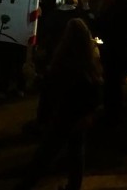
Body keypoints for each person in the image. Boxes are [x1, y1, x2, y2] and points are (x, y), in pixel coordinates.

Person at [17, 19, 103, 190]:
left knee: (45, 156)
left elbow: (52, 84)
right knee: (76, 153)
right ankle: (74, 185)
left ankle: (25, 186)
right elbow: (96, 86)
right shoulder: (89, 59)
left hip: (64, 115)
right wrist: (89, 112)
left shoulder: (65, 59)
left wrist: (34, 78)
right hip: (78, 116)